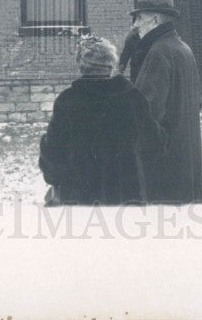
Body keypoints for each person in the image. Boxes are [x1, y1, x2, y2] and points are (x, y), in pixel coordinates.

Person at [39, 35, 160, 205]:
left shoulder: (68, 100)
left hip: (78, 198)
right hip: (126, 195)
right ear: (112, 65)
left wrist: (54, 180)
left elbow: (52, 152)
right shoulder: (133, 98)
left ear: (82, 66)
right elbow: (154, 141)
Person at [127, 0, 202, 204]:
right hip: (186, 160)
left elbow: (144, 114)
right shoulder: (182, 48)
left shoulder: (159, 52)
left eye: (139, 18)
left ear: (155, 19)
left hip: (164, 166)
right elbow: (196, 102)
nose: (134, 25)